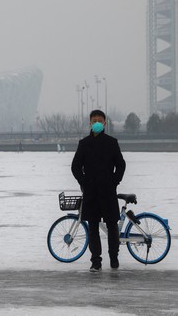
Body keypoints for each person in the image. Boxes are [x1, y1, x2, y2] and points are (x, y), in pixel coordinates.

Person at [71, 109, 126, 272]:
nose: (96, 123)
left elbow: (121, 165)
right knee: (93, 226)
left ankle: (114, 258)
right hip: (91, 192)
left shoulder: (111, 142)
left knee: (112, 226)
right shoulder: (84, 143)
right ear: (90, 122)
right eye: (94, 120)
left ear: (104, 123)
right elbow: (75, 166)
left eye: (99, 121)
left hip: (108, 191)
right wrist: (84, 182)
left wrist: (114, 181)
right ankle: (96, 261)